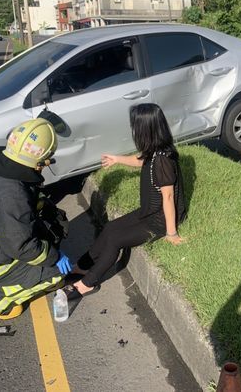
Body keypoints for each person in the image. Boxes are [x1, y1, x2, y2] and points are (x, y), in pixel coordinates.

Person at [68, 103, 186, 297]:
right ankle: (81, 266)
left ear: (145, 130)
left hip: (161, 219)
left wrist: (171, 233)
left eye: (135, 126)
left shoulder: (164, 160)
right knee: (110, 228)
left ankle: (87, 283)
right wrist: (117, 159)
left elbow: (168, 196)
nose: (133, 130)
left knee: (115, 240)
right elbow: (140, 161)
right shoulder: (154, 150)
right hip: (150, 210)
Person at [0, 118, 72, 320]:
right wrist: (54, 257)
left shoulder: (4, 167)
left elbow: (20, 218)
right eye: (46, 160)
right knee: (57, 273)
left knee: (53, 225)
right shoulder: (13, 194)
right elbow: (19, 245)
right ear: (39, 161)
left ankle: (20, 277)